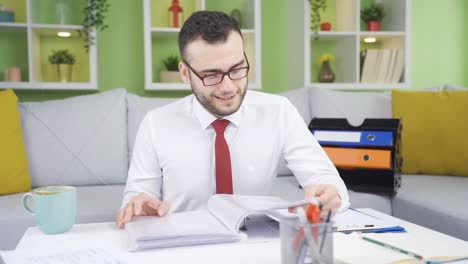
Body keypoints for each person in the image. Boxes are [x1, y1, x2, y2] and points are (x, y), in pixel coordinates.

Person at [116, 11, 349, 229]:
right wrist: (138, 207)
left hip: (255, 242)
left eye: (237, 69)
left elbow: (327, 180)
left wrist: (331, 194)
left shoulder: (279, 111)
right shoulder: (155, 124)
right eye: (211, 75)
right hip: (183, 246)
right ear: (185, 73)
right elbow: (136, 198)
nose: (228, 87)